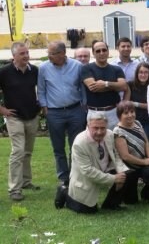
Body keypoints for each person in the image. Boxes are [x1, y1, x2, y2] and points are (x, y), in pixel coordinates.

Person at [62, 112, 135, 213]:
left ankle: (111, 204)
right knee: (89, 211)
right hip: (86, 178)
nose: (99, 132)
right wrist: (114, 178)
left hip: (105, 168)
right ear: (88, 126)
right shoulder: (79, 143)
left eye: (102, 128)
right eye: (95, 128)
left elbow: (116, 156)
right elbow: (88, 172)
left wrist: (121, 173)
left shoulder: (109, 134)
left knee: (127, 174)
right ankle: (64, 192)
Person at [38, 41, 86, 186]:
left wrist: (84, 105)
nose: (48, 56)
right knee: (58, 147)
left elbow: (83, 87)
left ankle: (74, 174)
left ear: (62, 53)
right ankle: (63, 177)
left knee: (76, 146)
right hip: (54, 113)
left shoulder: (77, 66)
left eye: (51, 53)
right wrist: (45, 107)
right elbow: (41, 90)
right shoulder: (43, 68)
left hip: (76, 110)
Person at [0, 42, 41, 201]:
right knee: (17, 152)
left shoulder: (34, 71)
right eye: (22, 54)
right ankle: (14, 190)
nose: (26, 56)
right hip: (14, 118)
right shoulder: (4, 72)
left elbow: (42, 89)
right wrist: (2, 110)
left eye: (27, 53)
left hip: (32, 116)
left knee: (28, 152)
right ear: (14, 57)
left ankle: (26, 181)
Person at [113, 101, 149, 203]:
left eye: (132, 112)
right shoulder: (118, 132)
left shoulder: (137, 123)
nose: (130, 115)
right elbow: (125, 156)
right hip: (129, 168)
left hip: (143, 163)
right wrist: (144, 162)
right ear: (119, 116)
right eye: (126, 113)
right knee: (131, 201)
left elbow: (146, 141)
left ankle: (146, 193)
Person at [81, 41, 129, 129]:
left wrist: (106, 84)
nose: (101, 53)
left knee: (114, 140)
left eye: (104, 50)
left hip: (113, 112)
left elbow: (124, 86)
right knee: (94, 141)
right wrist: (115, 87)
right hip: (94, 113)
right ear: (93, 53)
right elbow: (93, 88)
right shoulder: (86, 69)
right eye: (98, 51)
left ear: (108, 51)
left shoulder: (116, 69)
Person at [127, 63, 149, 140]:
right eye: (141, 72)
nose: (143, 75)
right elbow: (126, 102)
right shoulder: (130, 85)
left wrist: (135, 103)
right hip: (133, 120)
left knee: (145, 142)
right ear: (137, 73)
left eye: (146, 72)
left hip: (147, 121)